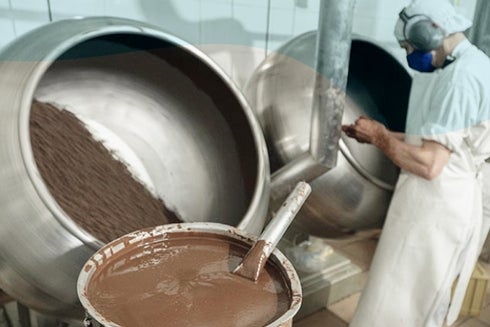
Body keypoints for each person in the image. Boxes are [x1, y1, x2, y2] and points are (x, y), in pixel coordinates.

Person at [342, 0, 490, 326]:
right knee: (390, 289)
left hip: (441, 202)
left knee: (411, 302)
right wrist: (374, 135)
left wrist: (381, 137)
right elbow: (432, 139)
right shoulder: (456, 65)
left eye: (410, 46)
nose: (410, 54)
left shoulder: (461, 79)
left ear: (431, 34)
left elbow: (431, 164)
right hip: (426, 199)